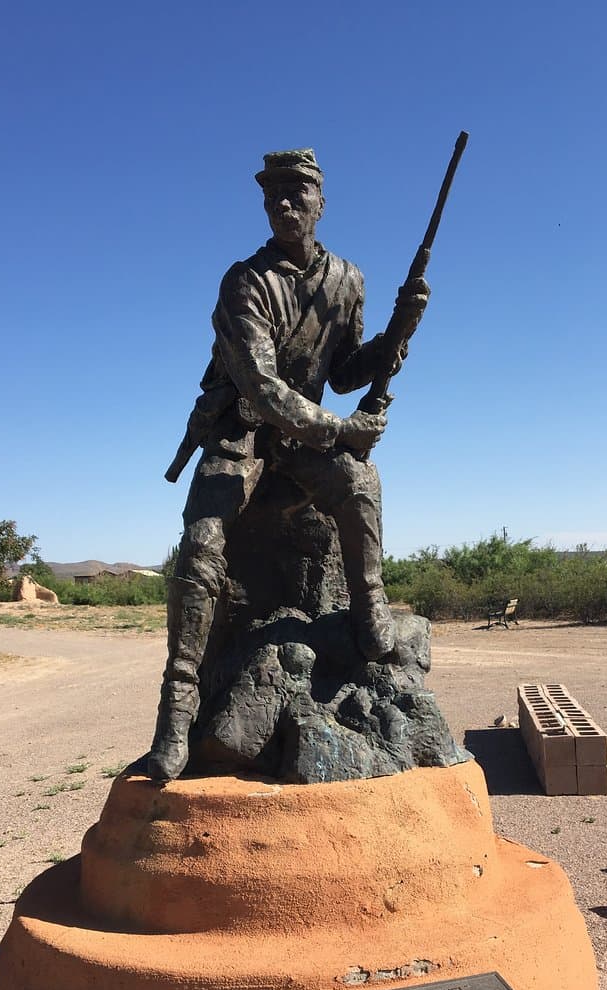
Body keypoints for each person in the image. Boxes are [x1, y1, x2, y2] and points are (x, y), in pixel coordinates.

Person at [149, 148, 429, 780]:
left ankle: (368, 608)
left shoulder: (347, 280)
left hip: (300, 443)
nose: (283, 204)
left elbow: (350, 369)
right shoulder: (244, 281)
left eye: (296, 193)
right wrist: (343, 428)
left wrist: (398, 331)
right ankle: (179, 702)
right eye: (272, 195)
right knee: (201, 545)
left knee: (360, 483)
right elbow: (263, 387)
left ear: (320, 202)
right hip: (242, 432)